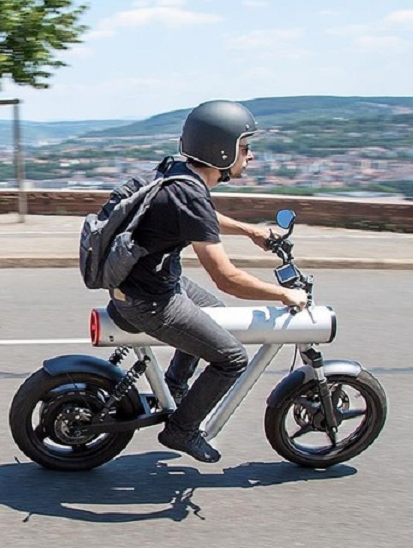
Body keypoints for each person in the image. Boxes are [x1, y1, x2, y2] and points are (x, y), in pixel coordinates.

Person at [110, 100, 307, 463]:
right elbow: (226, 278)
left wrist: (249, 231)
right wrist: (283, 294)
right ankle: (181, 430)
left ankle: (175, 388)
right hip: (150, 300)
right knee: (232, 358)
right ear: (222, 150)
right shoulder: (191, 193)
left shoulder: (178, 174)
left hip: (147, 281)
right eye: (244, 147)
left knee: (213, 312)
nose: (251, 156)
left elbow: (200, 216)